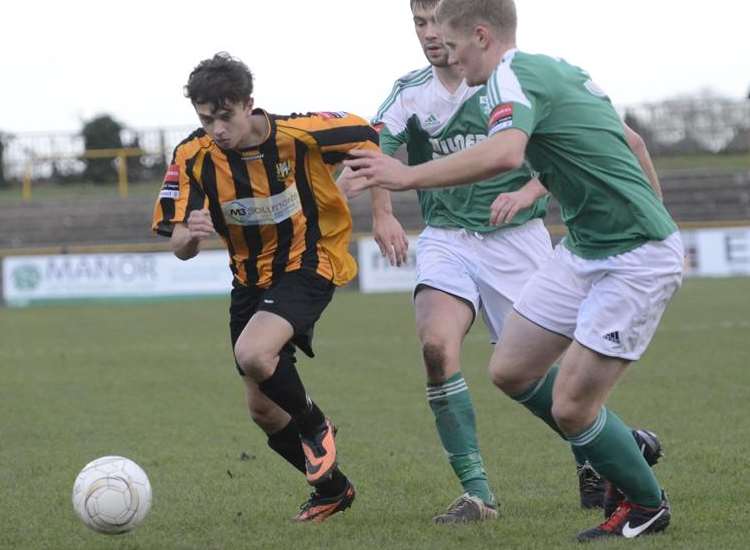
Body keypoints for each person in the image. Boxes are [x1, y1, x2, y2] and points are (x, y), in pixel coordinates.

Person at [343, 0, 683, 541]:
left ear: (480, 37)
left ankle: (647, 504)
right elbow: (634, 143)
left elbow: (504, 155)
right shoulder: (548, 69)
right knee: (511, 370)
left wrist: (405, 179)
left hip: (629, 257)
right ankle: (622, 444)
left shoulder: (511, 80)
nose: (446, 55)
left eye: (451, 44)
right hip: (582, 249)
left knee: (572, 405)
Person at [152, 52, 379, 523]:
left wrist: (386, 213)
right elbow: (176, 242)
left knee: (253, 354)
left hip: (309, 263)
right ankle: (333, 489)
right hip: (249, 283)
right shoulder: (192, 157)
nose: (216, 128)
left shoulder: (300, 134)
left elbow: (370, 137)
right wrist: (190, 236)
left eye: (225, 116)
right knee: (263, 410)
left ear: (249, 104)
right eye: (205, 118)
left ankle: (317, 426)